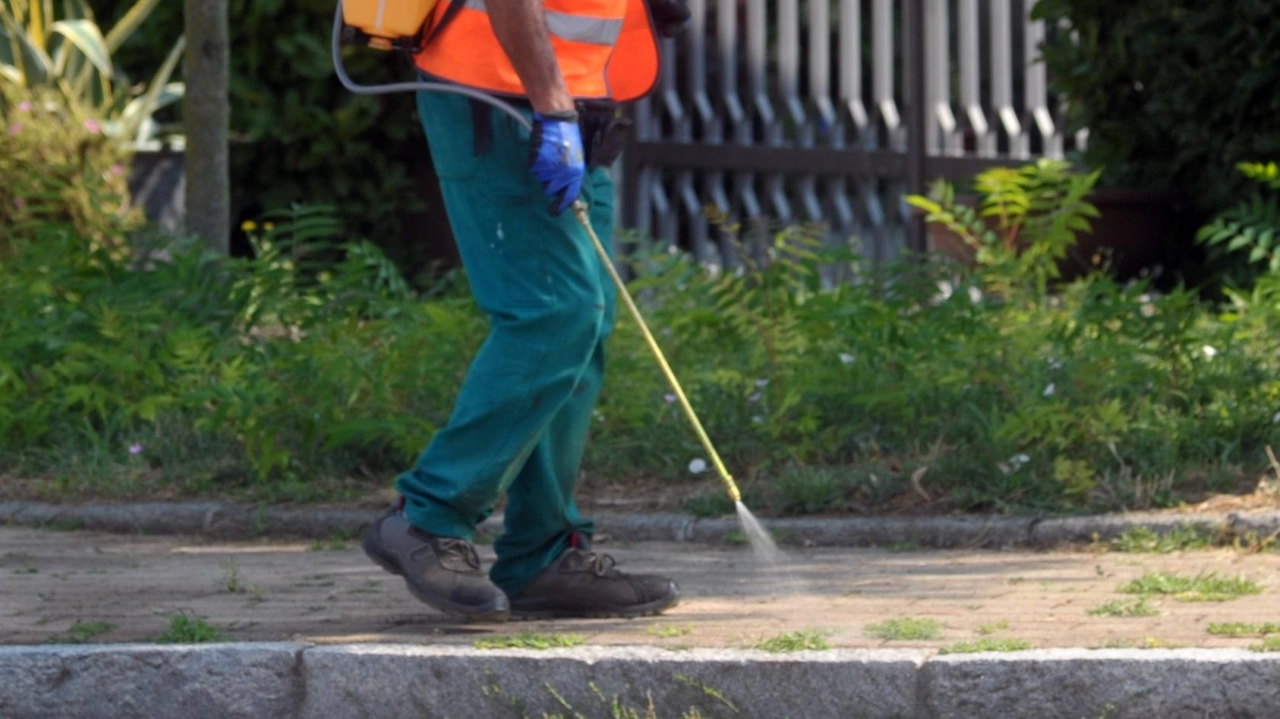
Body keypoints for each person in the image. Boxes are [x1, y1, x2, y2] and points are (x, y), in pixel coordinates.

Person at [360, 0, 692, 622]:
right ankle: (426, 517)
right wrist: (552, 106)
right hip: (501, 90)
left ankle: (544, 556)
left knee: (584, 325)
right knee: (554, 312)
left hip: (565, 93)